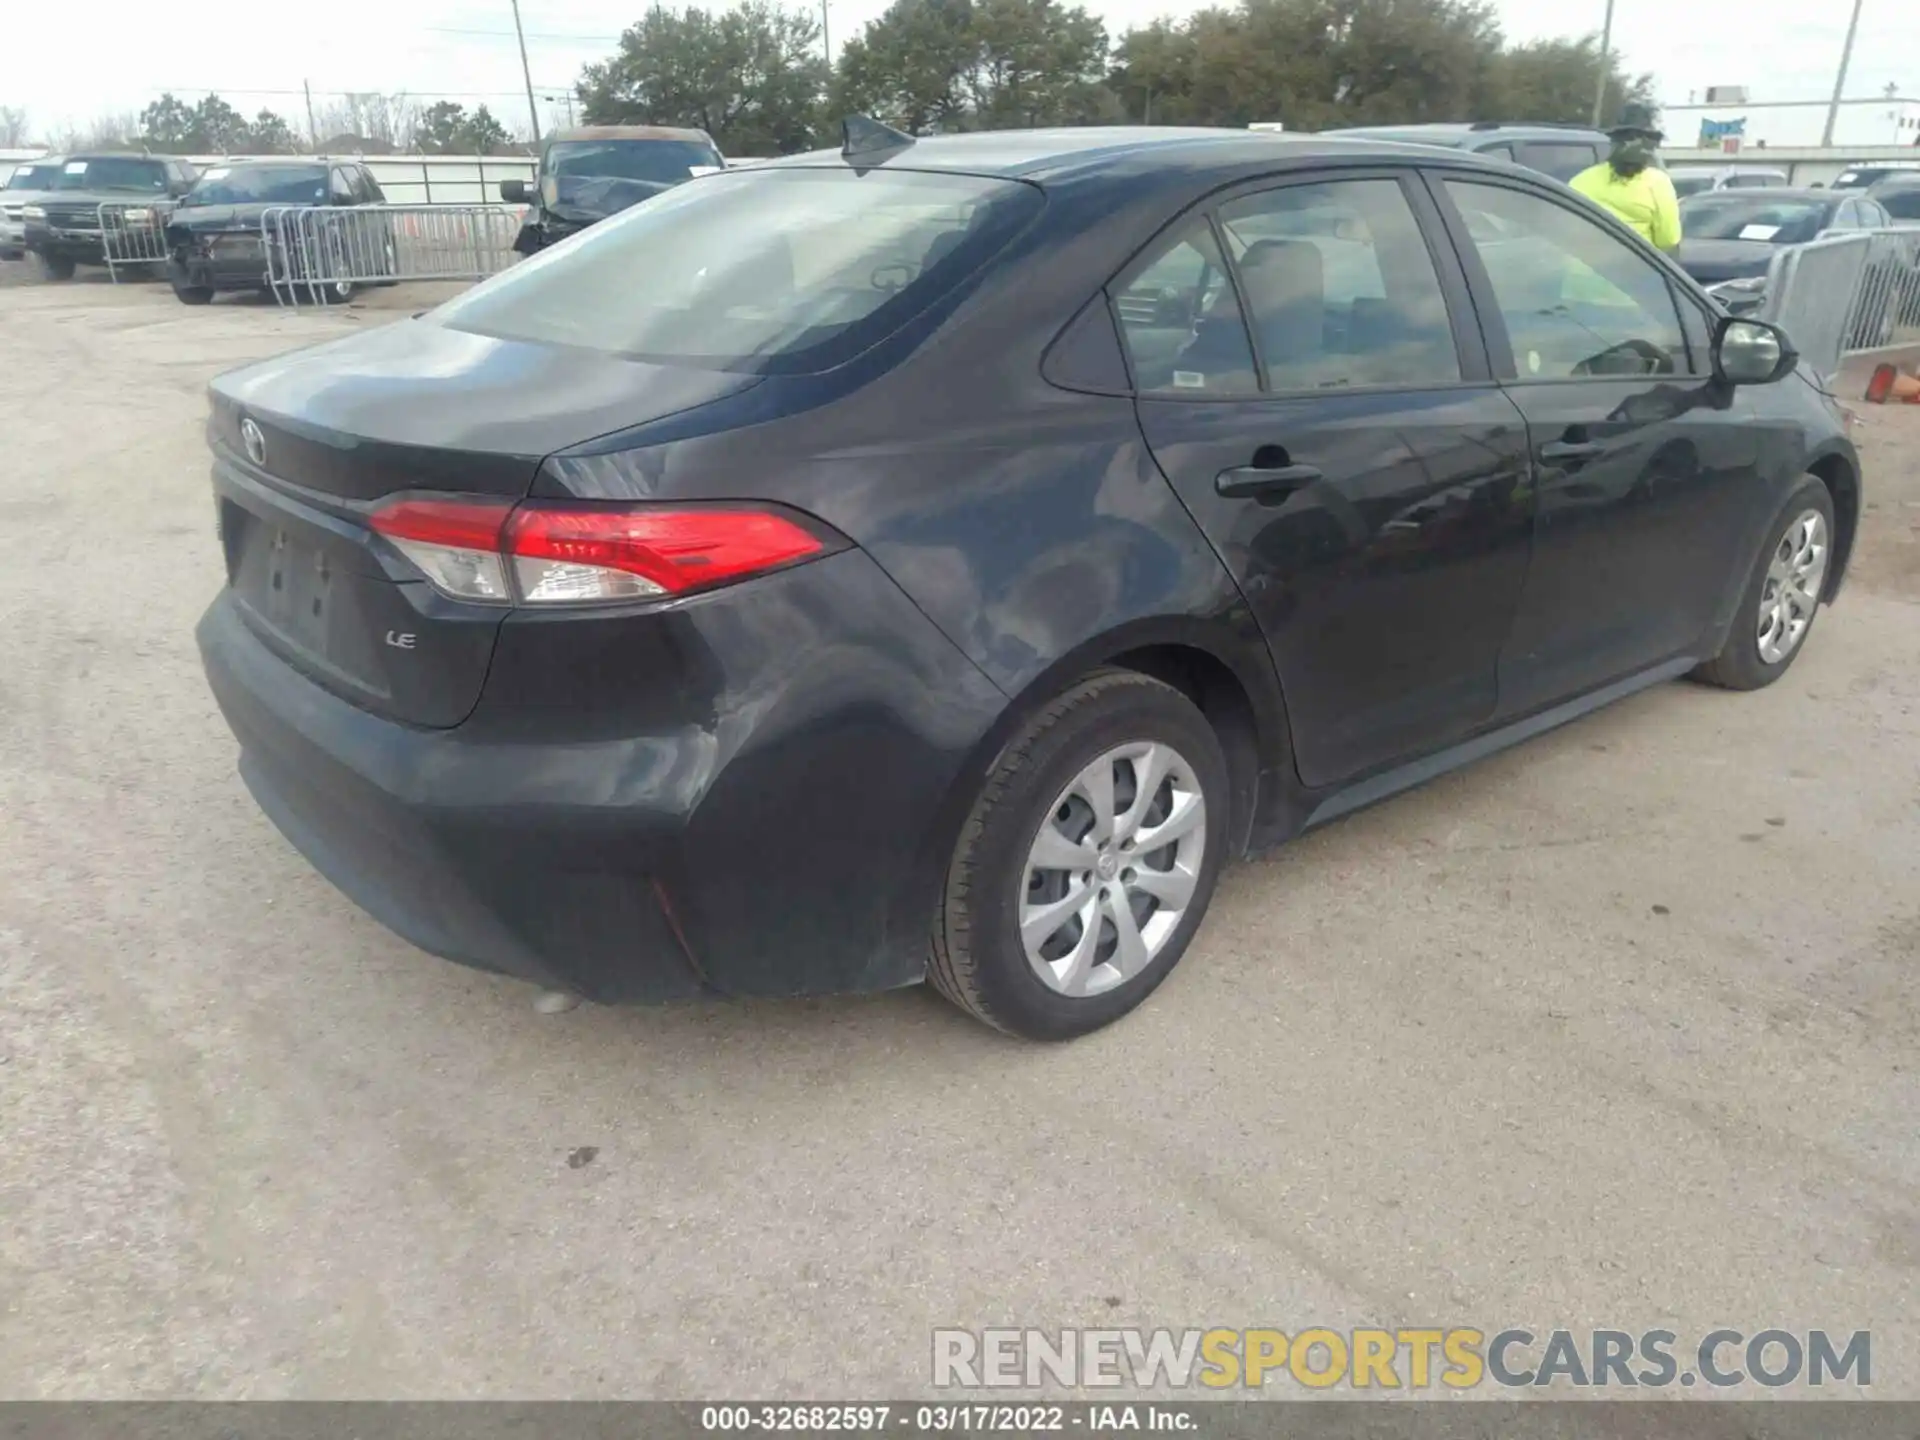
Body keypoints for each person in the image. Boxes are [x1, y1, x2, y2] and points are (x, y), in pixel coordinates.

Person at [1571, 104, 1682, 253]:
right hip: (1632, 273)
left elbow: (1565, 232)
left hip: (1580, 272)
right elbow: (1668, 240)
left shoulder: (1581, 181)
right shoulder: (1657, 182)